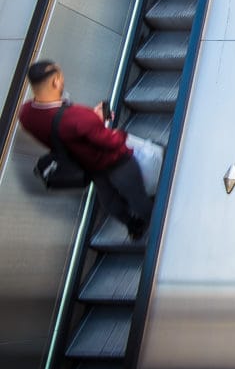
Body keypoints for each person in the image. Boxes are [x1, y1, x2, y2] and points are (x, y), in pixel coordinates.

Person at [18, 61, 153, 239]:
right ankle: (155, 222)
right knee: (136, 196)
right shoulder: (77, 117)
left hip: (87, 166)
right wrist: (115, 131)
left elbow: (67, 130)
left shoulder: (26, 114)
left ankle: (133, 226)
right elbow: (110, 141)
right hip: (115, 162)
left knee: (109, 199)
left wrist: (92, 120)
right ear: (55, 81)